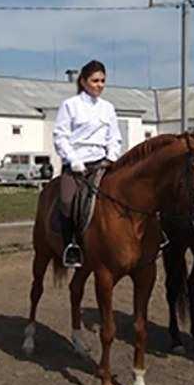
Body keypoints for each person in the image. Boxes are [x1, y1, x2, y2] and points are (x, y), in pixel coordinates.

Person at [53, 60, 122, 268]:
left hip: (102, 163)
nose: (99, 85)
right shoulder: (70, 105)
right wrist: (73, 159)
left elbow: (114, 137)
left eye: (102, 81)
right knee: (66, 201)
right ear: (83, 82)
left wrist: (112, 157)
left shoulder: (108, 108)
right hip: (77, 166)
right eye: (95, 81)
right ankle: (71, 246)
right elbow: (60, 136)